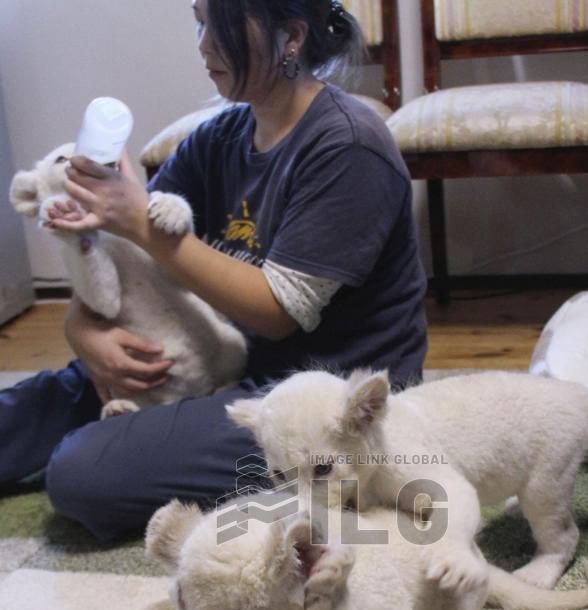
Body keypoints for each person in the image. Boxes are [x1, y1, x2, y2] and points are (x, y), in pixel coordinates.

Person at [0, 0, 427, 541]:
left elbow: (277, 313)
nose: (203, 45)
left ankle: (319, 485)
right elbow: (137, 266)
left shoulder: (348, 145)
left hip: (319, 396)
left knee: (82, 473)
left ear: (291, 37)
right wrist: (82, 332)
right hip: (214, 358)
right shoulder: (217, 139)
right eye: (199, 23)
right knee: (37, 405)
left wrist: (138, 221)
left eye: (219, 27)